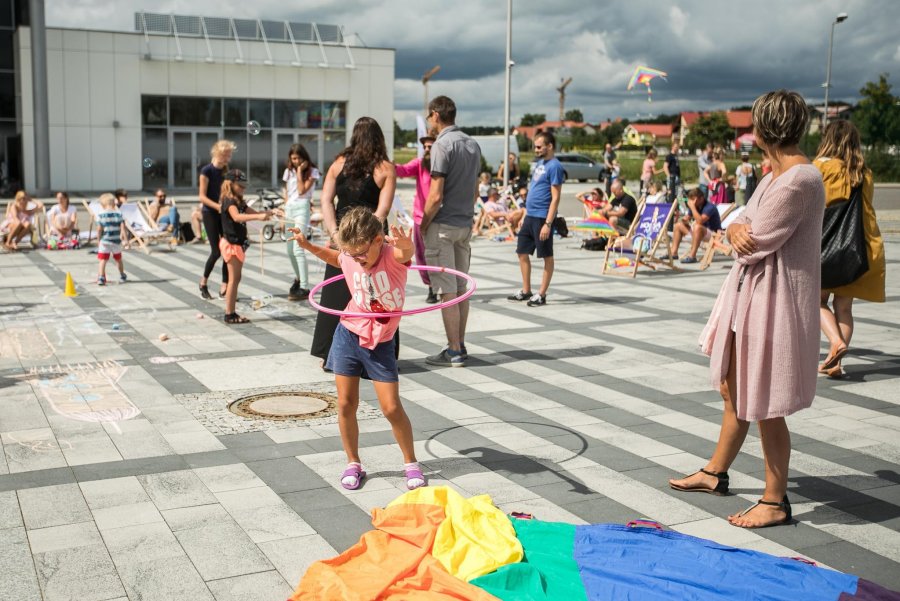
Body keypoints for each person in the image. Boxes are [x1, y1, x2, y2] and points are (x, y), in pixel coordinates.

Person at [668, 90, 825, 529]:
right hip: (753, 297)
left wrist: (738, 228)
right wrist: (736, 225)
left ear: (763, 131)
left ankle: (775, 500)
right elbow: (738, 217)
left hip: (773, 302)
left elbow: (753, 240)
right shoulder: (776, 174)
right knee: (734, 390)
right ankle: (716, 472)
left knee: (766, 401)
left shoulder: (798, 179)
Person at [289, 207, 424, 491]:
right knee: (346, 403)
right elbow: (336, 258)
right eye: (353, 254)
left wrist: (406, 244)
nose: (358, 260)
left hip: (381, 341)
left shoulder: (391, 256)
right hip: (348, 333)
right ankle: (353, 462)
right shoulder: (351, 255)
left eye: (362, 253)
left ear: (378, 239)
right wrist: (307, 245)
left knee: (390, 407)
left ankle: (411, 463)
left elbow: (405, 253)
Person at [311, 117, 396, 365]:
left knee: (337, 294)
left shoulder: (338, 165)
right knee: (377, 295)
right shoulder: (386, 168)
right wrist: (369, 242)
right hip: (371, 240)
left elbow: (326, 200)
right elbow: (382, 210)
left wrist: (336, 234)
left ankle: (330, 354)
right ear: (379, 138)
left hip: (344, 237)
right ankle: (375, 353)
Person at [815, 120, 886, 379]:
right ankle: (835, 364)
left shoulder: (821, 168)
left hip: (826, 248)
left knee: (816, 301)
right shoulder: (864, 172)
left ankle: (836, 342)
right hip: (859, 249)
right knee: (844, 308)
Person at [421, 96, 481, 367]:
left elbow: (435, 195)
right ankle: (460, 343)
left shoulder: (442, 145)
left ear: (436, 115)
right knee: (460, 289)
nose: (427, 122)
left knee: (446, 291)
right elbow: (476, 189)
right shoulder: (472, 144)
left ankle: (453, 350)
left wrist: (423, 225)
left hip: (443, 225)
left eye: (428, 117)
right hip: (464, 224)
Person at [507, 131, 564, 308]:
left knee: (546, 256)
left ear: (550, 146)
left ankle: (542, 294)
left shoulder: (555, 166)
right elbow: (534, 190)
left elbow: (555, 197)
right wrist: (524, 214)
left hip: (542, 218)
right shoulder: (540, 163)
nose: (536, 149)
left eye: (539, 146)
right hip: (530, 216)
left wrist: (548, 223)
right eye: (535, 146)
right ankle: (526, 290)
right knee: (522, 252)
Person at [218, 169, 279, 324]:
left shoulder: (239, 200)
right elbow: (237, 217)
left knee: (236, 279)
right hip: (231, 244)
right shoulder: (228, 200)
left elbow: (255, 213)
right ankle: (229, 313)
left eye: (244, 186)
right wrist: (259, 216)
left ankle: (230, 312)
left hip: (237, 244)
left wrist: (270, 213)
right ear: (230, 184)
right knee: (233, 280)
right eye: (240, 185)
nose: (243, 189)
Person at [396, 135, 437, 303]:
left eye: (430, 147)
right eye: (425, 147)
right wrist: (384, 164)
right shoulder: (419, 164)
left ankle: (442, 286)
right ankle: (431, 288)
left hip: (439, 218)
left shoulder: (443, 165)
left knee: (438, 254)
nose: (427, 149)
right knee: (421, 255)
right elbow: (403, 170)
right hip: (420, 218)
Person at [283, 143, 321, 301]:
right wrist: (284, 206)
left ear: (304, 158)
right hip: (289, 208)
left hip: (302, 207)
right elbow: (287, 191)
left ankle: (305, 287)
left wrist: (299, 172)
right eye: (293, 159)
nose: (295, 161)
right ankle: (298, 280)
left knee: (299, 247)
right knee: (289, 249)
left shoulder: (313, 171)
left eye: (298, 158)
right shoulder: (288, 171)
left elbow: (301, 190)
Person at [198, 139, 235, 300]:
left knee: (228, 249)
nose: (227, 158)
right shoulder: (206, 171)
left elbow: (229, 192)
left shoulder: (226, 172)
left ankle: (225, 285)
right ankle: (203, 282)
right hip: (209, 213)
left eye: (229, 155)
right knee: (216, 251)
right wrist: (217, 207)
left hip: (223, 213)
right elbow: (202, 197)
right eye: (225, 154)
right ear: (217, 153)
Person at [669, 187, 723, 263]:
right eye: (692, 200)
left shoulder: (710, 207)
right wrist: (684, 220)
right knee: (678, 225)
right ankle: (673, 253)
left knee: (697, 227)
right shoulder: (695, 206)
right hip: (698, 233)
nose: (693, 202)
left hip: (713, 235)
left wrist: (692, 207)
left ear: (701, 198)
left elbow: (700, 221)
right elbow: (688, 217)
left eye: (695, 200)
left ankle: (692, 256)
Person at [95, 192, 127, 285]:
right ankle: (122, 275)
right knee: (118, 259)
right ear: (114, 203)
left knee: (103, 260)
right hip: (116, 241)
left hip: (105, 241)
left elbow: (99, 229)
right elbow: (123, 228)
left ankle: (101, 277)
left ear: (102, 204)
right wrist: (125, 240)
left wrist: (98, 240)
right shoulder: (118, 214)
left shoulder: (101, 215)